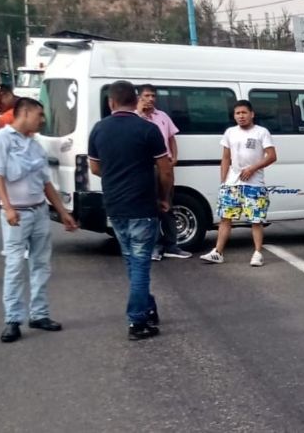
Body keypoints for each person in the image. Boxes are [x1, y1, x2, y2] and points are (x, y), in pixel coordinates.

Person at [0, 97, 77, 343]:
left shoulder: (35, 145)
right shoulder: (2, 140)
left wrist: (64, 213)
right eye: (39, 115)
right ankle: (13, 320)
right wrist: (8, 207)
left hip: (39, 212)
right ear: (23, 113)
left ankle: (39, 314)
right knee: (14, 266)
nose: (42, 120)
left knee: (41, 265)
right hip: (17, 214)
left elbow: (46, 183)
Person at [89, 80, 174, 341]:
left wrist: (116, 174)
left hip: (115, 206)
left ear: (111, 102)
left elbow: (95, 168)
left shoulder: (99, 130)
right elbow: (165, 168)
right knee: (139, 265)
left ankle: (147, 306)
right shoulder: (147, 129)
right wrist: (164, 197)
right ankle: (138, 321)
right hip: (142, 205)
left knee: (132, 261)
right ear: (135, 99)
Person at [200, 100, 277, 267]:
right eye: (237, 113)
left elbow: (271, 156)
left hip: (254, 184)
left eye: (244, 113)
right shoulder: (230, 132)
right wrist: (223, 180)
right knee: (225, 218)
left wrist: (252, 168)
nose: (241, 116)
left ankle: (257, 253)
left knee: (256, 220)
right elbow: (226, 157)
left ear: (252, 114)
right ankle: (218, 252)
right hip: (232, 183)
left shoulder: (261, 132)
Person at [137, 84, 190, 261]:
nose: (150, 99)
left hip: (164, 166)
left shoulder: (162, 116)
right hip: (145, 166)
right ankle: (154, 246)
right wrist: (139, 113)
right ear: (139, 97)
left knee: (167, 204)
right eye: (146, 95)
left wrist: (174, 158)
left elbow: (171, 138)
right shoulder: (135, 117)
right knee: (150, 208)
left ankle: (171, 245)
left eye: (153, 95)